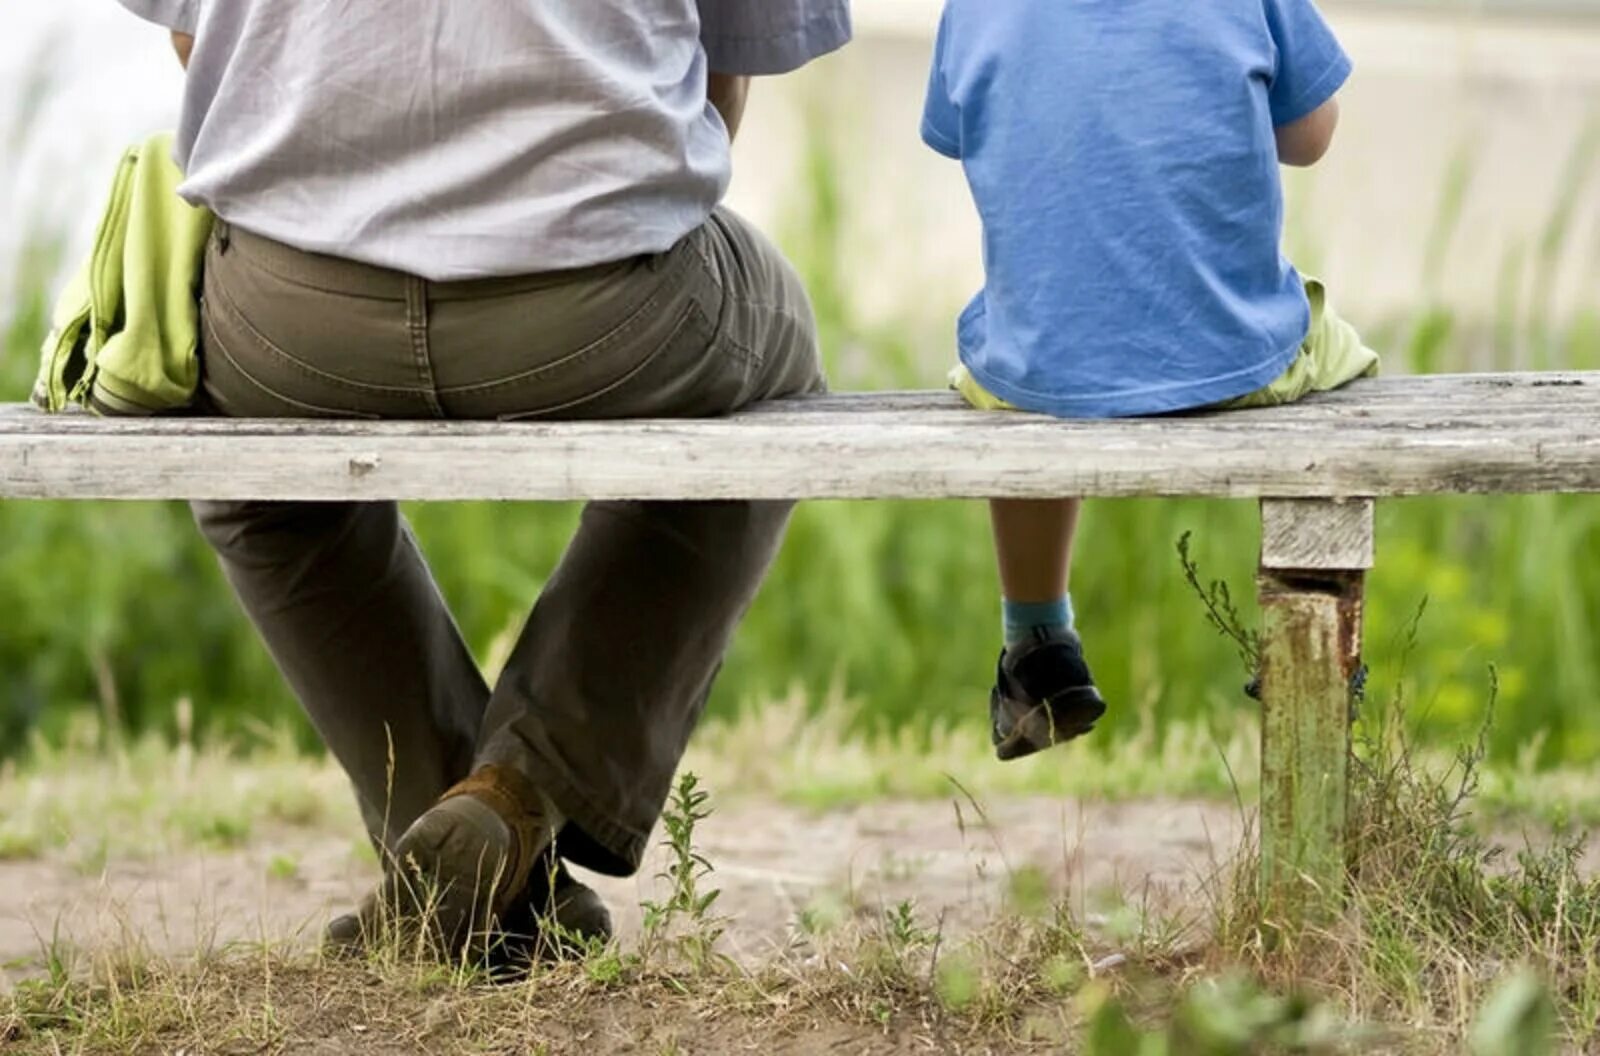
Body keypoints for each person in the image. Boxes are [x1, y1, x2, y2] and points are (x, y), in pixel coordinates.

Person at [117, 0, 851, 959]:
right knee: (771, 365)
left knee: (257, 474)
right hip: (600, 311)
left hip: (291, 316)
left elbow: (197, 43)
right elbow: (727, 69)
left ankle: (465, 838)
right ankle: (515, 798)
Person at [921, 0, 1378, 762]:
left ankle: (1036, 640)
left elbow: (965, 129)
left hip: (1039, 369)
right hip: (1239, 356)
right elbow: (1312, 134)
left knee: (1009, 369)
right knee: (1338, 352)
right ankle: (1314, 626)